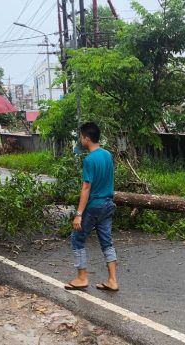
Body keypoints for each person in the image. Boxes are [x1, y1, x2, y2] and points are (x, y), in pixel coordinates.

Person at [65, 122, 119, 292]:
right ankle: (112, 280)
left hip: (95, 205)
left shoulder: (89, 159)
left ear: (87, 138)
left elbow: (86, 188)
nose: (80, 140)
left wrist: (79, 214)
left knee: (77, 238)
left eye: (81, 137)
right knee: (107, 242)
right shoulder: (107, 155)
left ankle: (82, 277)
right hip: (108, 204)